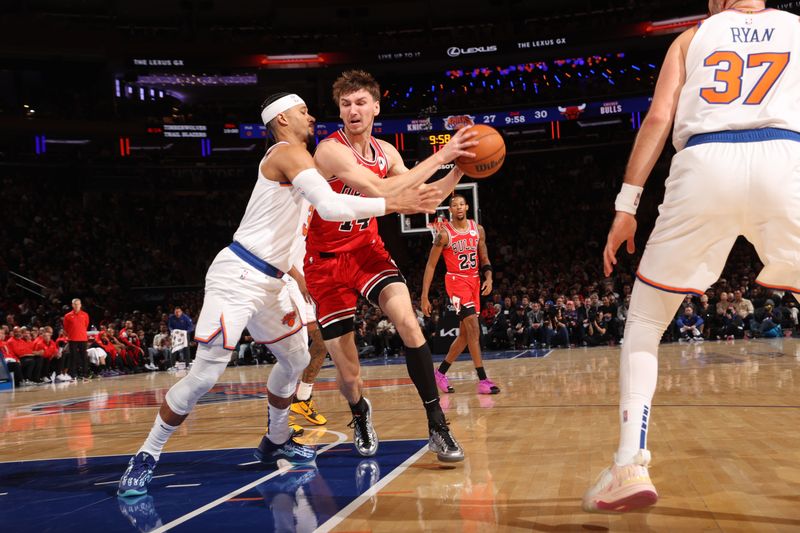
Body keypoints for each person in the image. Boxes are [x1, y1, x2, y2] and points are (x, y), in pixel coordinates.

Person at [117, 92, 441, 498]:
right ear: (283, 120)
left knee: (298, 357)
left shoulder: (307, 160)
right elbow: (331, 205)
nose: (312, 116)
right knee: (205, 375)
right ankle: (146, 454)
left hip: (275, 280)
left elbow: (317, 216)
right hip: (238, 275)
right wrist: (391, 202)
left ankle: (275, 438)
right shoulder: (286, 152)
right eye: (304, 111)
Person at [584, 0, 800, 513]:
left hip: (706, 162)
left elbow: (659, 117)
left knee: (644, 321)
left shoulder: (692, 37)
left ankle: (629, 463)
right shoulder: (796, 28)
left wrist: (626, 206)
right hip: (787, 158)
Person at [308, 69, 478, 462]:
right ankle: (360, 411)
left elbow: (426, 194)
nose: (353, 110)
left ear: (375, 107)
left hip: (367, 250)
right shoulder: (329, 151)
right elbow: (383, 191)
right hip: (325, 263)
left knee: (408, 320)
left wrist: (459, 169)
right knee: (350, 375)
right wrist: (444, 153)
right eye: (345, 104)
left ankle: (437, 425)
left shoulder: (388, 153)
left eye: (360, 102)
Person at [421, 194, 499, 395]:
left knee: (465, 335)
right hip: (456, 282)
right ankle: (482, 380)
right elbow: (430, 266)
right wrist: (424, 296)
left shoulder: (477, 230)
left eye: (461, 204)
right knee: (473, 327)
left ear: (467, 207)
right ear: (450, 210)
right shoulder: (444, 234)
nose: (459, 208)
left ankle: (440, 373)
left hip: (474, 281)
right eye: (454, 205)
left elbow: (484, 258)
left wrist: (489, 278)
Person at [63, 298, 90, 381]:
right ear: (72, 305)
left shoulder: (85, 315)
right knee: (73, 357)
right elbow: (66, 327)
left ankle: (85, 375)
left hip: (83, 338)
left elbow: (86, 325)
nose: (77, 305)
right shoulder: (67, 316)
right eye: (75, 304)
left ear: (80, 305)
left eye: (78, 304)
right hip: (72, 339)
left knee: (84, 357)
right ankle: (73, 375)